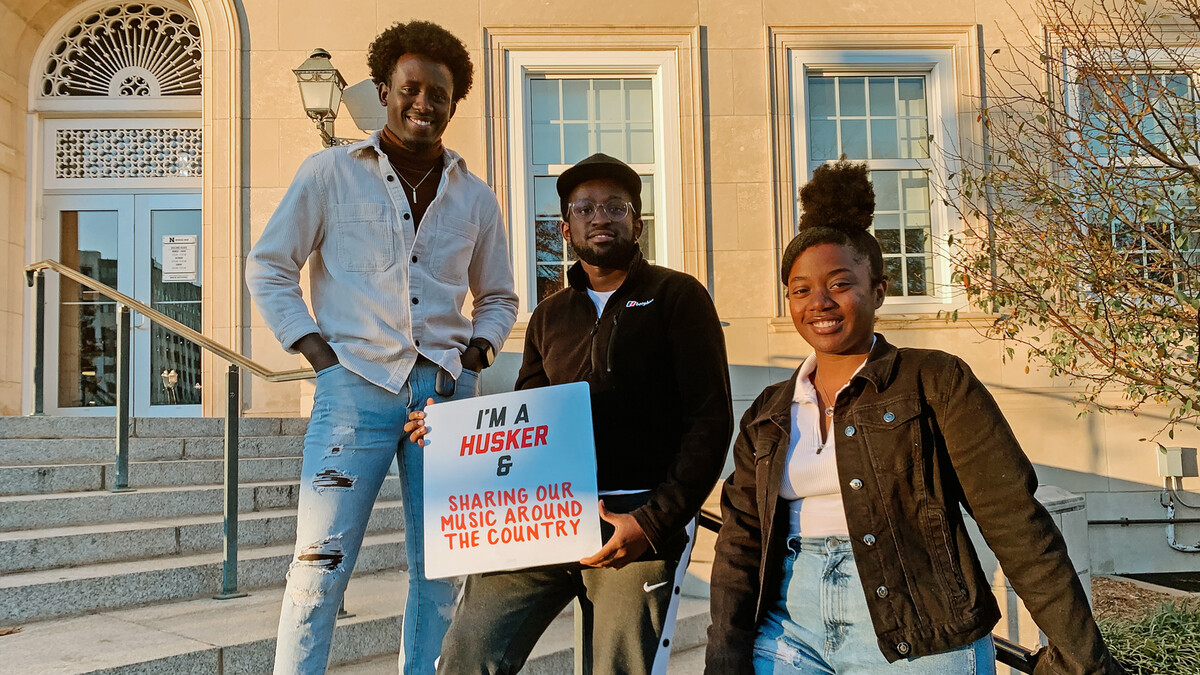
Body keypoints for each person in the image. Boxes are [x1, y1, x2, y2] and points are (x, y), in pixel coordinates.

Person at [705, 160, 1125, 675]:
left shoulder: (935, 381)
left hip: (921, 631)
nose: (820, 302)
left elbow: (1012, 518)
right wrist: (724, 655)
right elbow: (741, 542)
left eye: (839, 283)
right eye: (800, 289)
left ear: (879, 290)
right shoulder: (769, 411)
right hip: (790, 631)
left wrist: (1083, 655)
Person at [245, 20, 517, 675]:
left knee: (441, 572)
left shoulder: (476, 198)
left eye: (439, 93)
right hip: (353, 390)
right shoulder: (330, 173)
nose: (424, 102)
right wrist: (319, 354)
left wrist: (475, 357)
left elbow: (500, 296)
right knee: (317, 565)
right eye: (410, 88)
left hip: (449, 401)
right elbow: (269, 265)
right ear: (384, 90)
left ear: (455, 103)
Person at [408, 153, 734, 675]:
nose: (599, 216)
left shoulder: (678, 297)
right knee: (467, 655)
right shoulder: (550, 314)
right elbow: (526, 423)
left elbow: (710, 423)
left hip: (635, 526)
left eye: (615, 206)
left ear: (637, 222)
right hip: (543, 521)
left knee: (617, 670)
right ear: (564, 228)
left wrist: (650, 523)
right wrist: (451, 435)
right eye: (584, 208)